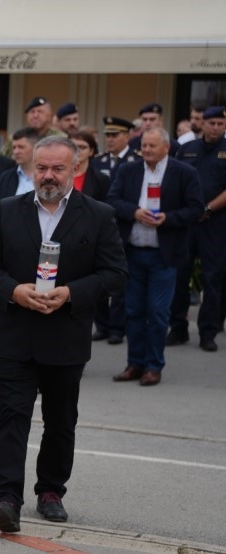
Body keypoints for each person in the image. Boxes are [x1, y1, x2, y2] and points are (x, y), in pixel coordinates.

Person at [0, 136, 126, 532]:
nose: (48, 176)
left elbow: (115, 274)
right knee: (12, 416)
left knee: (60, 420)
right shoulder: (8, 211)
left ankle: (51, 491)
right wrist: (15, 290)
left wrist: (72, 293)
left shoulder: (98, 214)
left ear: (75, 169)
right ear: (31, 168)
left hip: (66, 336)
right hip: (17, 335)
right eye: (41, 168)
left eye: (58, 168)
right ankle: (6, 497)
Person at [107, 127, 203, 387]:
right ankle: (135, 363)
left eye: (152, 146)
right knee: (134, 310)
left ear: (166, 148)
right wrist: (134, 212)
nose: (146, 150)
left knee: (158, 312)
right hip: (133, 252)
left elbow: (195, 208)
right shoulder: (128, 171)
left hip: (164, 255)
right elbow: (112, 200)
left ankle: (153, 365)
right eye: (144, 146)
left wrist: (168, 218)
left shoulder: (184, 173)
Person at [172, 105, 226, 351]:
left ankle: (208, 332)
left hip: (215, 224)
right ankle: (178, 328)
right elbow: (174, 182)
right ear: (202, 124)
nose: (216, 128)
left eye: (220, 124)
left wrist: (208, 209)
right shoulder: (187, 149)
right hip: (187, 223)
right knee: (179, 276)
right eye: (211, 123)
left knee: (212, 278)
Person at [69, 129, 110, 200]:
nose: (77, 150)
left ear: (91, 151)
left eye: (82, 147)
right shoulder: (59, 174)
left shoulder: (101, 179)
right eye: (73, 147)